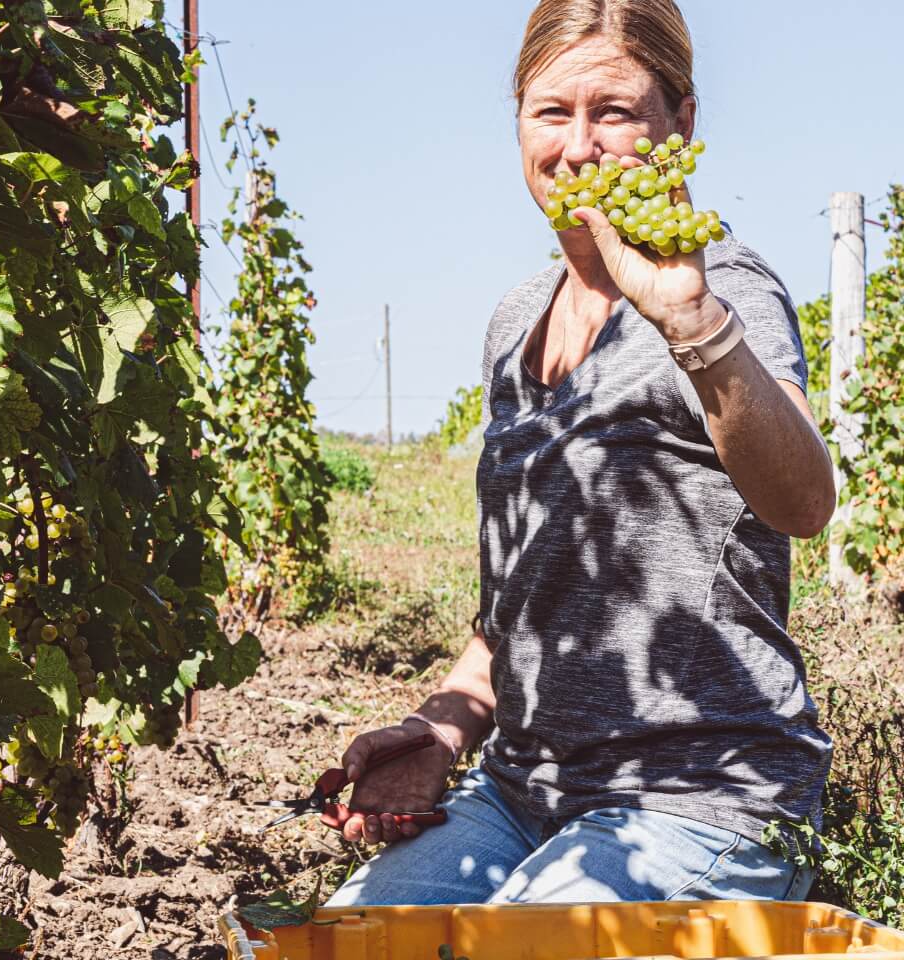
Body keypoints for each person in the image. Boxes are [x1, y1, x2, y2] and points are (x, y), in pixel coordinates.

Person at [326, 0, 835, 907]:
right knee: (348, 937)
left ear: (681, 123)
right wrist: (440, 729)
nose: (579, 144)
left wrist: (690, 321)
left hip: (704, 798)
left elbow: (803, 503)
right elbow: (520, 606)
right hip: (524, 794)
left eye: (615, 112)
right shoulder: (514, 323)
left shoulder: (725, 288)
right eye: (552, 112)